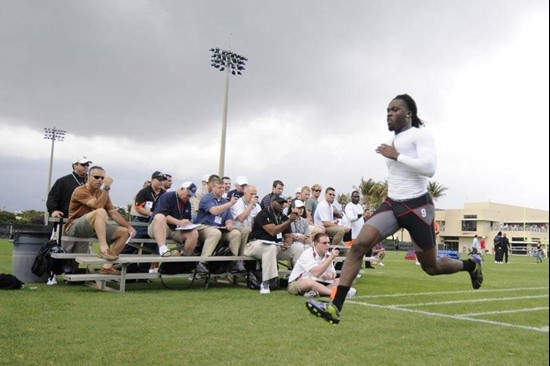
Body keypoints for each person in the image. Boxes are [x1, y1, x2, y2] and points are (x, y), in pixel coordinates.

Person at [306, 94, 483, 325]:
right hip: (393, 204)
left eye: (395, 109)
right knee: (359, 244)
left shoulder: (420, 135)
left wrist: (397, 156)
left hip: (418, 204)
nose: (389, 113)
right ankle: (335, 307)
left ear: (408, 113)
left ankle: (471, 264)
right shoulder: (392, 141)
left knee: (431, 266)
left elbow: (430, 168)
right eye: (387, 110)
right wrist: (395, 155)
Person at [64, 166, 136, 275]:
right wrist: (107, 187)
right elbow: (98, 205)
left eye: (103, 178)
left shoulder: (102, 192)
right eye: (97, 177)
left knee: (125, 233)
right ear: (88, 177)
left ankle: (107, 267)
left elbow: (112, 212)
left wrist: (129, 227)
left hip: (93, 228)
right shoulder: (80, 190)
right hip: (74, 226)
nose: (100, 180)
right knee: (101, 211)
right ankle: (103, 249)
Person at [244, 194, 304, 294]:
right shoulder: (264, 214)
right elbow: (272, 231)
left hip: (275, 245)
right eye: (279, 202)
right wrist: (289, 221)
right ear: (272, 202)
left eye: (283, 203)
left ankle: (297, 280)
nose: (281, 205)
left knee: (298, 248)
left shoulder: (283, 217)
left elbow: (288, 236)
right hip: (255, 244)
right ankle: (266, 282)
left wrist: (287, 243)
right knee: (270, 248)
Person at [45, 156, 92, 282]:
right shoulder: (63, 181)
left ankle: (72, 275)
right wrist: (53, 210)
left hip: (85, 222)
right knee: (61, 249)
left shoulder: (91, 182)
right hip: (66, 221)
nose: (86, 167)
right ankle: (52, 275)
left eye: (87, 164)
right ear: (74, 166)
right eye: (83, 164)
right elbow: (52, 197)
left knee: (80, 252)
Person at [194, 177, 244, 275]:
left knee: (236, 233)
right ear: (213, 187)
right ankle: (203, 263)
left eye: (223, 187)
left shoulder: (224, 201)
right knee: (215, 233)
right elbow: (214, 211)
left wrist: (229, 224)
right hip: (204, 228)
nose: (222, 189)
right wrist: (230, 203)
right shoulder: (207, 198)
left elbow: (228, 217)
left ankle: (233, 262)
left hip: (220, 229)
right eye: (219, 187)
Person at [288, 233, 356, 298]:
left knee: (340, 280)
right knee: (308, 282)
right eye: (324, 243)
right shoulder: (307, 254)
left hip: (320, 281)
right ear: (316, 244)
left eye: (328, 243)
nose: (327, 245)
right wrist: (331, 257)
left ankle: (315, 292)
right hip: (298, 282)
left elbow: (333, 273)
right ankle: (335, 293)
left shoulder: (328, 255)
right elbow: (316, 273)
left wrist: (331, 275)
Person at [148, 182, 199, 257]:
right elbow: (163, 215)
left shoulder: (187, 203)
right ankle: (162, 248)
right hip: (160, 227)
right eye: (188, 195)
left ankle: (185, 257)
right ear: (181, 189)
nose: (189, 197)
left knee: (194, 232)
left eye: (191, 196)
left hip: (175, 229)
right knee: (159, 217)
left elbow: (186, 219)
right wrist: (179, 222)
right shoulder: (168, 196)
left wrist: (187, 223)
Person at [230, 184, 261, 253]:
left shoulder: (257, 206)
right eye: (251, 194)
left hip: (251, 229)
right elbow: (241, 218)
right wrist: (251, 204)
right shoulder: (238, 203)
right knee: (246, 231)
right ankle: (240, 258)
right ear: (244, 193)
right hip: (237, 227)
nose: (253, 196)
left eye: (255, 194)